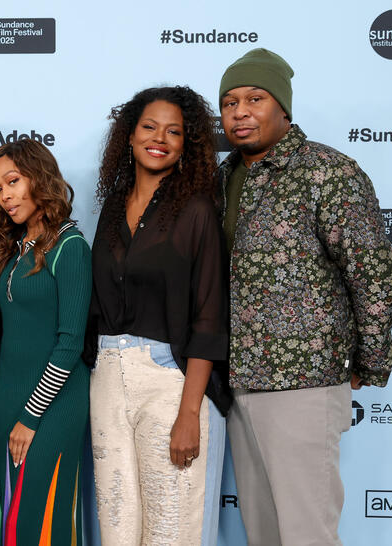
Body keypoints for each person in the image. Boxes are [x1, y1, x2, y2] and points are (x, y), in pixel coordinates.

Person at [217, 48, 392, 546]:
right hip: (241, 382)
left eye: (254, 98)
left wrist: (370, 359)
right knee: (264, 533)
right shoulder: (224, 177)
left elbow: (376, 273)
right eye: (230, 101)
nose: (240, 112)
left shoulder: (327, 172)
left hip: (305, 380)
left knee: (306, 535)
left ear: (283, 108)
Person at [84, 86, 230, 545]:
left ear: (188, 144)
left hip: (169, 381)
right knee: (117, 530)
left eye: (174, 131)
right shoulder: (112, 205)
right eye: (149, 127)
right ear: (129, 135)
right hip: (107, 377)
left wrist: (189, 413)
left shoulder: (197, 210)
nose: (160, 138)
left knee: (170, 532)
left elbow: (209, 315)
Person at [0, 139, 92, 545]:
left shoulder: (71, 247)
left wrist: (31, 417)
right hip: (7, 400)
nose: (6, 195)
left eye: (13, 181)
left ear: (39, 179)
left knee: (44, 520)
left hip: (51, 407)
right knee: (13, 522)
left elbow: (69, 344)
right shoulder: (14, 249)